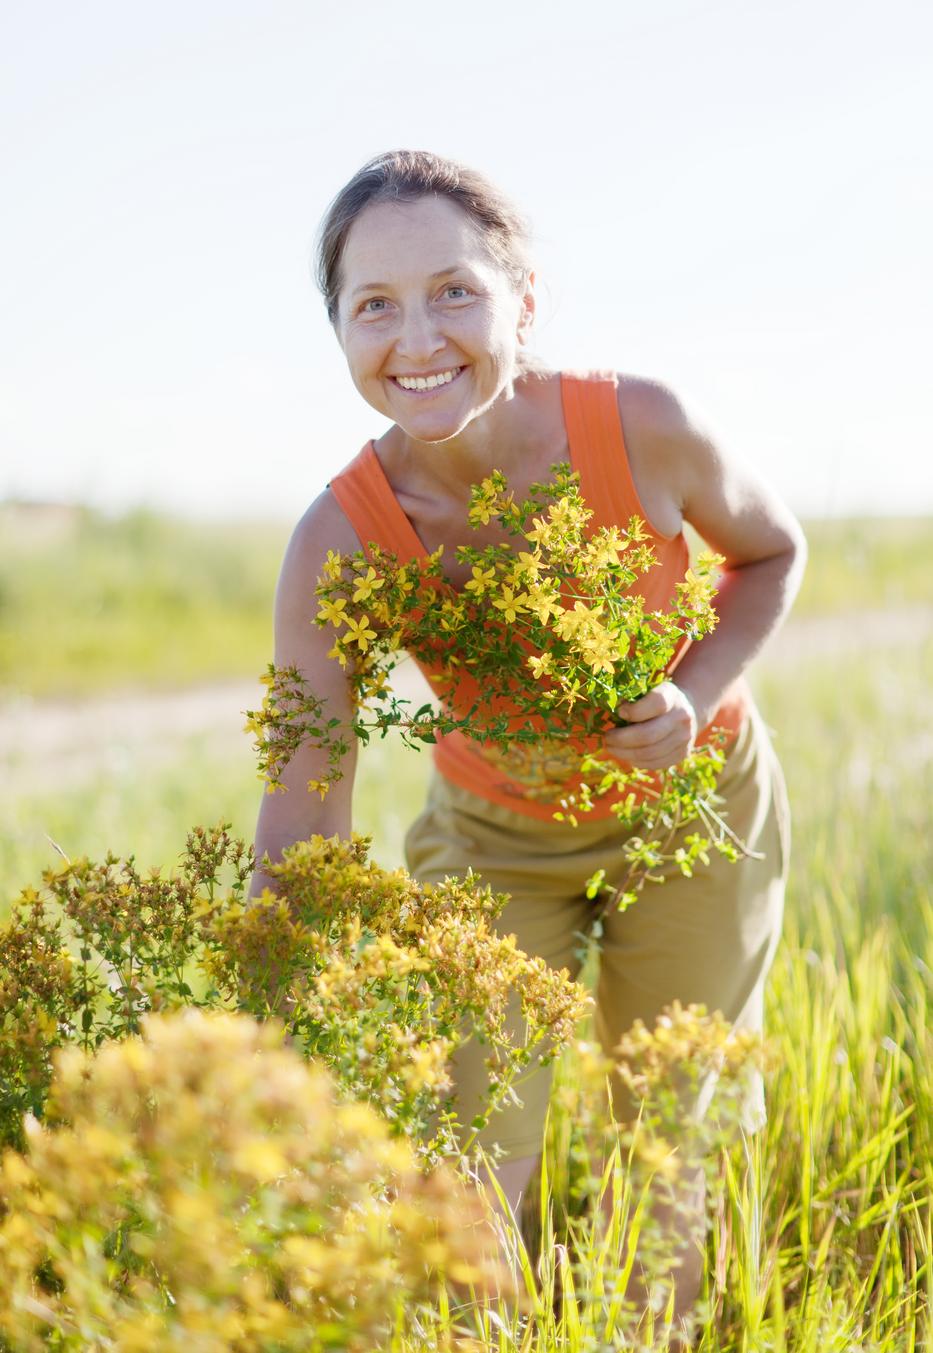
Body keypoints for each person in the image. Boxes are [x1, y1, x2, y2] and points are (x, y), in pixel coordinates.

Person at [251, 149, 806, 1326]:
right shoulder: (339, 542)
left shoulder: (644, 425)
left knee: (667, 1147)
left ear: (525, 302)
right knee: (466, 1163)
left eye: (455, 290)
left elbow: (771, 553)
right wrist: (284, 1012)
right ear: (340, 333)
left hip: (694, 817)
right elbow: (305, 792)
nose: (418, 337)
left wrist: (694, 693)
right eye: (375, 306)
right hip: (495, 838)